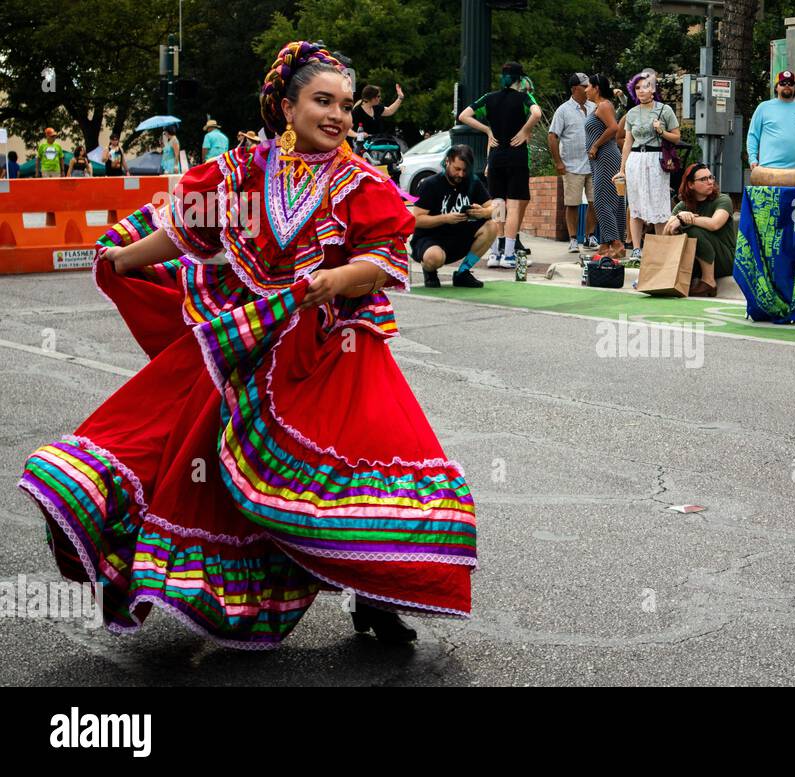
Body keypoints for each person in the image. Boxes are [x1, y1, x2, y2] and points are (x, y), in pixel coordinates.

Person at [18, 40, 477, 648]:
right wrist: (125, 259)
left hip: (337, 346)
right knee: (196, 464)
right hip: (250, 344)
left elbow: (381, 260)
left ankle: (376, 595)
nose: (337, 115)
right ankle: (209, 590)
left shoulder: (361, 181)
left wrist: (334, 281)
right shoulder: (240, 172)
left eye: (343, 104)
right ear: (287, 106)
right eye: (321, 101)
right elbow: (185, 233)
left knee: (371, 463)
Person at [458, 61, 542, 270]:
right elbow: (537, 113)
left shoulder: (489, 98)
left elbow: (463, 116)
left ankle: (495, 253)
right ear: (520, 79)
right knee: (513, 206)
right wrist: (524, 131)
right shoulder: (524, 97)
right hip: (516, 157)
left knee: (497, 205)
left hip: (496, 156)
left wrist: (487, 130)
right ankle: (509, 255)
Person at [411, 144, 495, 288]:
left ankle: (463, 272)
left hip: (459, 237)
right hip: (431, 239)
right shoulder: (430, 184)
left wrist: (484, 212)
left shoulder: (472, 181)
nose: (461, 174)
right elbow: (417, 220)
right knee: (434, 258)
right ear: (447, 162)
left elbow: (496, 208)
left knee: (492, 226)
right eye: (457, 169)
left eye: (465, 170)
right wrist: (445, 218)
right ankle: (429, 271)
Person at [620, 70, 680, 262]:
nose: (640, 91)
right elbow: (628, 142)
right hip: (636, 159)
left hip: (656, 159)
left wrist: (661, 131)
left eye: (645, 86)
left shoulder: (665, 110)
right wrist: (622, 169)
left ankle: (660, 248)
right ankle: (636, 249)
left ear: (653, 89)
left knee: (659, 203)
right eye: (637, 88)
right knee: (635, 205)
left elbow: (677, 137)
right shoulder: (632, 113)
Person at [665, 163, 735, 297]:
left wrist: (686, 219)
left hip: (725, 259)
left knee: (691, 230)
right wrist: (677, 221)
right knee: (682, 230)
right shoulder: (682, 205)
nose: (710, 182)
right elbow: (666, 233)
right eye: (703, 179)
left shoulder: (723, 199)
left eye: (711, 177)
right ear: (691, 185)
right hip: (696, 260)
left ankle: (709, 282)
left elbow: (715, 224)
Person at [549, 72, 598, 253]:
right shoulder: (563, 110)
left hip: (594, 164)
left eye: (588, 86)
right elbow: (552, 136)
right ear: (574, 89)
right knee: (572, 203)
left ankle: (590, 236)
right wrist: (558, 162)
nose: (587, 89)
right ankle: (572, 239)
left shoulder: (595, 107)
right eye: (584, 86)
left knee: (595, 202)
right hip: (571, 165)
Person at [585, 73, 626, 258]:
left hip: (606, 156)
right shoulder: (598, 107)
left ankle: (616, 243)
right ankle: (604, 245)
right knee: (610, 200)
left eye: (588, 86)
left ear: (596, 88)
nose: (586, 90)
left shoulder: (604, 105)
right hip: (599, 158)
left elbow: (614, 128)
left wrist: (595, 145)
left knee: (601, 201)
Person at [746, 69, 795, 170]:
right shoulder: (764, 107)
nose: (787, 85)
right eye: (783, 83)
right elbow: (753, 135)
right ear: (776, 87)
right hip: (769, 170)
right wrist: (752, 159)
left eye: (790, 83)